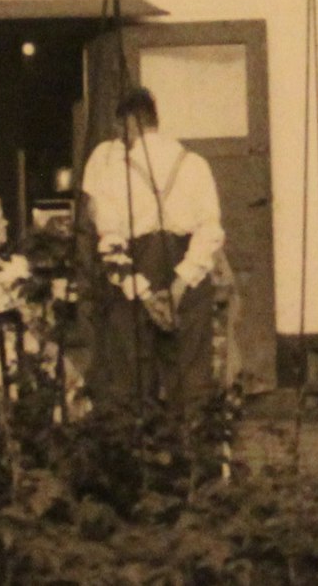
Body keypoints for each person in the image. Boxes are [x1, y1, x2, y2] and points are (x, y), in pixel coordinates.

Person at [81, 86, 226, 417]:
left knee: (130, 375)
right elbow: (210, 230)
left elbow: (110, 242)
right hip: (187, 271)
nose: (120, 138)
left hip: (134, 273)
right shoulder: (195, 165)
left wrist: (144, 294)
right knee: (190, 373)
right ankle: (192, 458)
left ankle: (140, 458)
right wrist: (179, 285)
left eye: (121, 130)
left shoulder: (114, 174)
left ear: (131, 123)